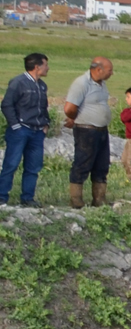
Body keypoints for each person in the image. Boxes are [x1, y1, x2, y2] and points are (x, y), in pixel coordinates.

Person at [62, 56, 114, 210]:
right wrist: (74, 118)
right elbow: (69, 108)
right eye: (110, 70)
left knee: (102, 164)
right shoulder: (81, 83)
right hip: (86, 130)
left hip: (101, 130)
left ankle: (99, 198)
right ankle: (76, 199)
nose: (112, 73)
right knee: (82, 163)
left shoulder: (102, 84)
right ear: (99, 69)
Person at [2, 52, 51, 206]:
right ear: (37, 67)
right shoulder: (18, 82)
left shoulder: (42, 85)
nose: (48, 68)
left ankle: (27, 198)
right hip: (21, 130)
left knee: (33, 166)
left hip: (37, 132)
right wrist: (15, 125)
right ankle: (2, 196)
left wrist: (46, 123)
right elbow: (6, 104)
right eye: (46, 65)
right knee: (11, 164)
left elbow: (43, 107)